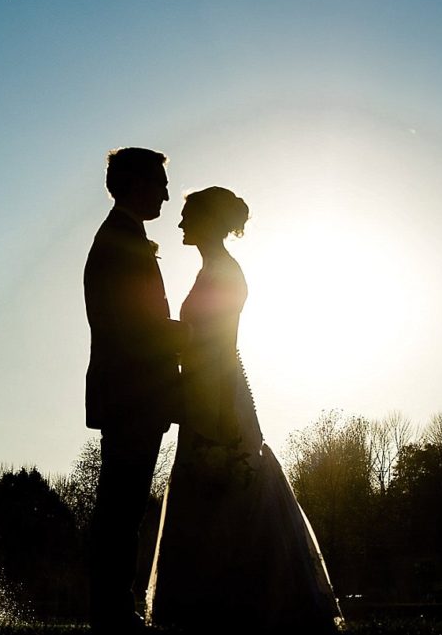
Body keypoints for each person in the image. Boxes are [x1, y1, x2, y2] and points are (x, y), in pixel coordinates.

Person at [146, 186, 343, 634]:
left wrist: (216, 412)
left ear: (210, 221)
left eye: (187, 215)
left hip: (215, 391)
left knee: (228, 487)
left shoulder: (225, 273)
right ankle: (211, 604)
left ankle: (235, 602)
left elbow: (219, 345)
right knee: (208, 496)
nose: (179, 224)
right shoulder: (211, 270)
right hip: (203, 388)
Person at [83, 147, 190, 632]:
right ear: (137, 184)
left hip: (130, 392)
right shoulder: (121, 242)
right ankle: (111, 610)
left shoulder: (124, 237)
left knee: (121, 504)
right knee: (121, 507)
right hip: (132, 393)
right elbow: (137, 327)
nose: (167, 194)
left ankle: (112, 606)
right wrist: (199, 335)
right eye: (160, 183)